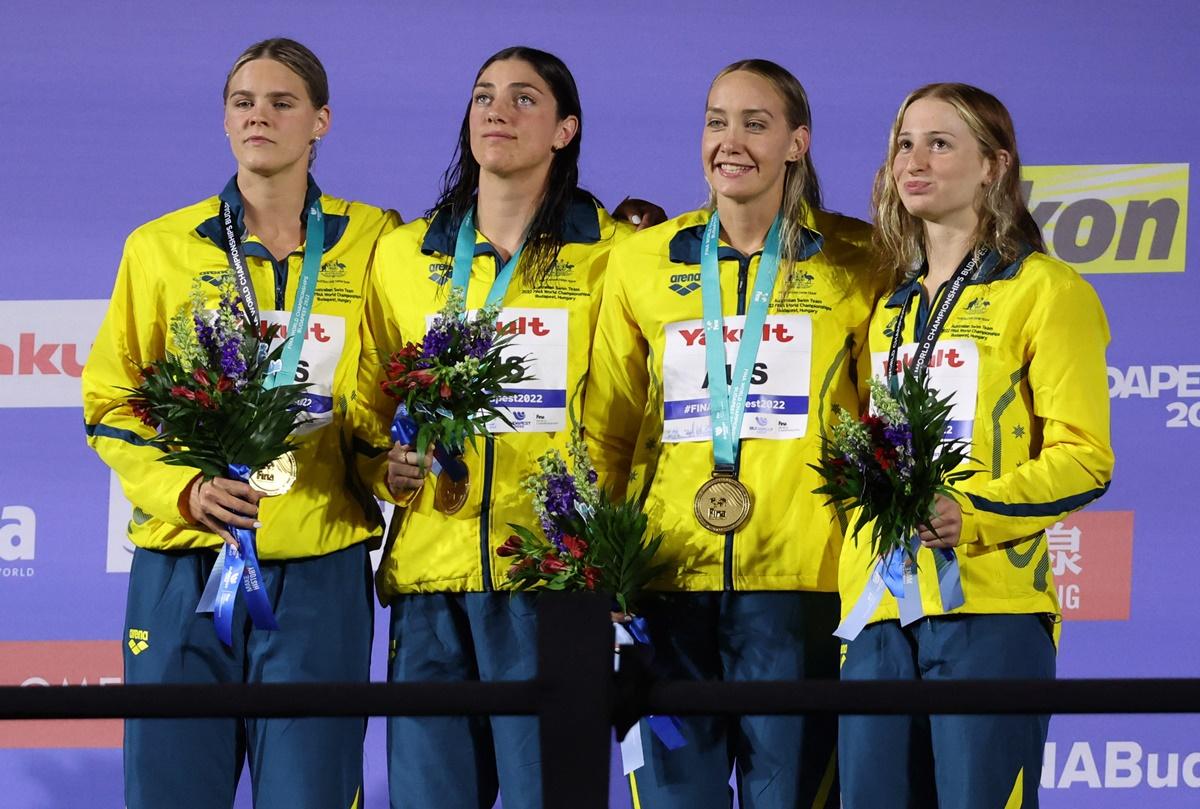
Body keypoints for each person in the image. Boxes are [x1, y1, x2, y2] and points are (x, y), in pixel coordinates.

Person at [82, 38, 398, 809]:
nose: (260, 115)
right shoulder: (159, 247)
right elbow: (111, 402)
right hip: (184, 562)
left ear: (320, 120)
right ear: (225, 122)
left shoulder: (377, 242)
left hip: (320, 563)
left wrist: (390, 462)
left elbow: (389, 392)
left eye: (282, 102)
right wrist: (184, 490)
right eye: (243, 102)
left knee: (312, 795)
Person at [583, 59, 882, 809]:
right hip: (666, 583)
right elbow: (607, 433)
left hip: (803, 586)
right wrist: (602, 566)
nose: (730, 140)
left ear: (796, 143)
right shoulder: (641, 262)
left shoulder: (859, 261)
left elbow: (886, 423)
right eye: (717, 120)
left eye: (756, 123)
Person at [353, 46, 641, 809]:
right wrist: (384, 464)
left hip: (550, 577)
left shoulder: (616, 258)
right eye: (484, 96)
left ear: (564, 129)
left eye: (523, 100)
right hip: (429, 580)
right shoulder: (402, 257)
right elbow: (364, 401)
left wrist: (612, 549)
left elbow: (635, 418)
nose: (496, 111)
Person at [836, 82, 1114, 809]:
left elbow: (1085, 456)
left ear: (993, 166)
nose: (913, 160)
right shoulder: (888, 307)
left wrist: (972, 510)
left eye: (939, 143)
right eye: (904, 143)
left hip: (990, 601)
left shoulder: (1046, 290)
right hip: (878, 609)